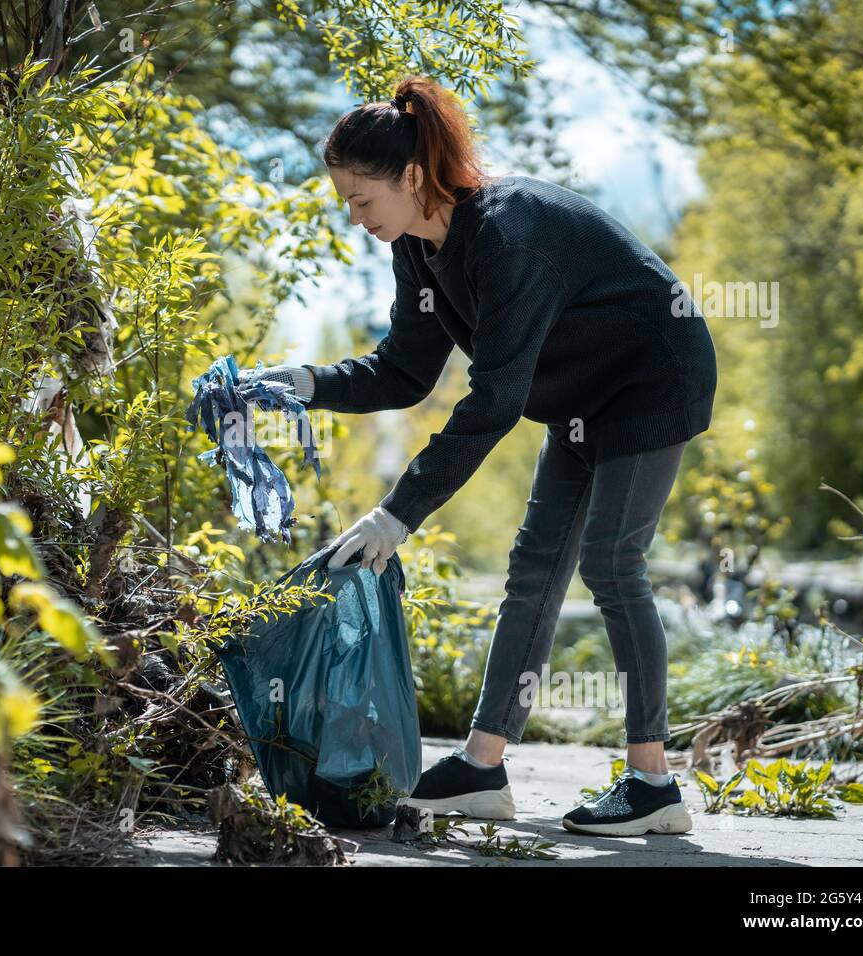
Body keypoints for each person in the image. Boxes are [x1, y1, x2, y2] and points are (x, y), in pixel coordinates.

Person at [243, 75, 715, 837]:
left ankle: (653, 782)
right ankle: (483, 767)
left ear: (411, 177)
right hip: (579, 399)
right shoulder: (419, 252)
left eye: (362, 200)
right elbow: (402, 371)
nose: (355, 217)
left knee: (611, 564)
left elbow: (493, 402)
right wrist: (302, 385)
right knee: (533, 568)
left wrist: (398, 515)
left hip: (653, 375)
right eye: (346, 203)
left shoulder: (507, 235)